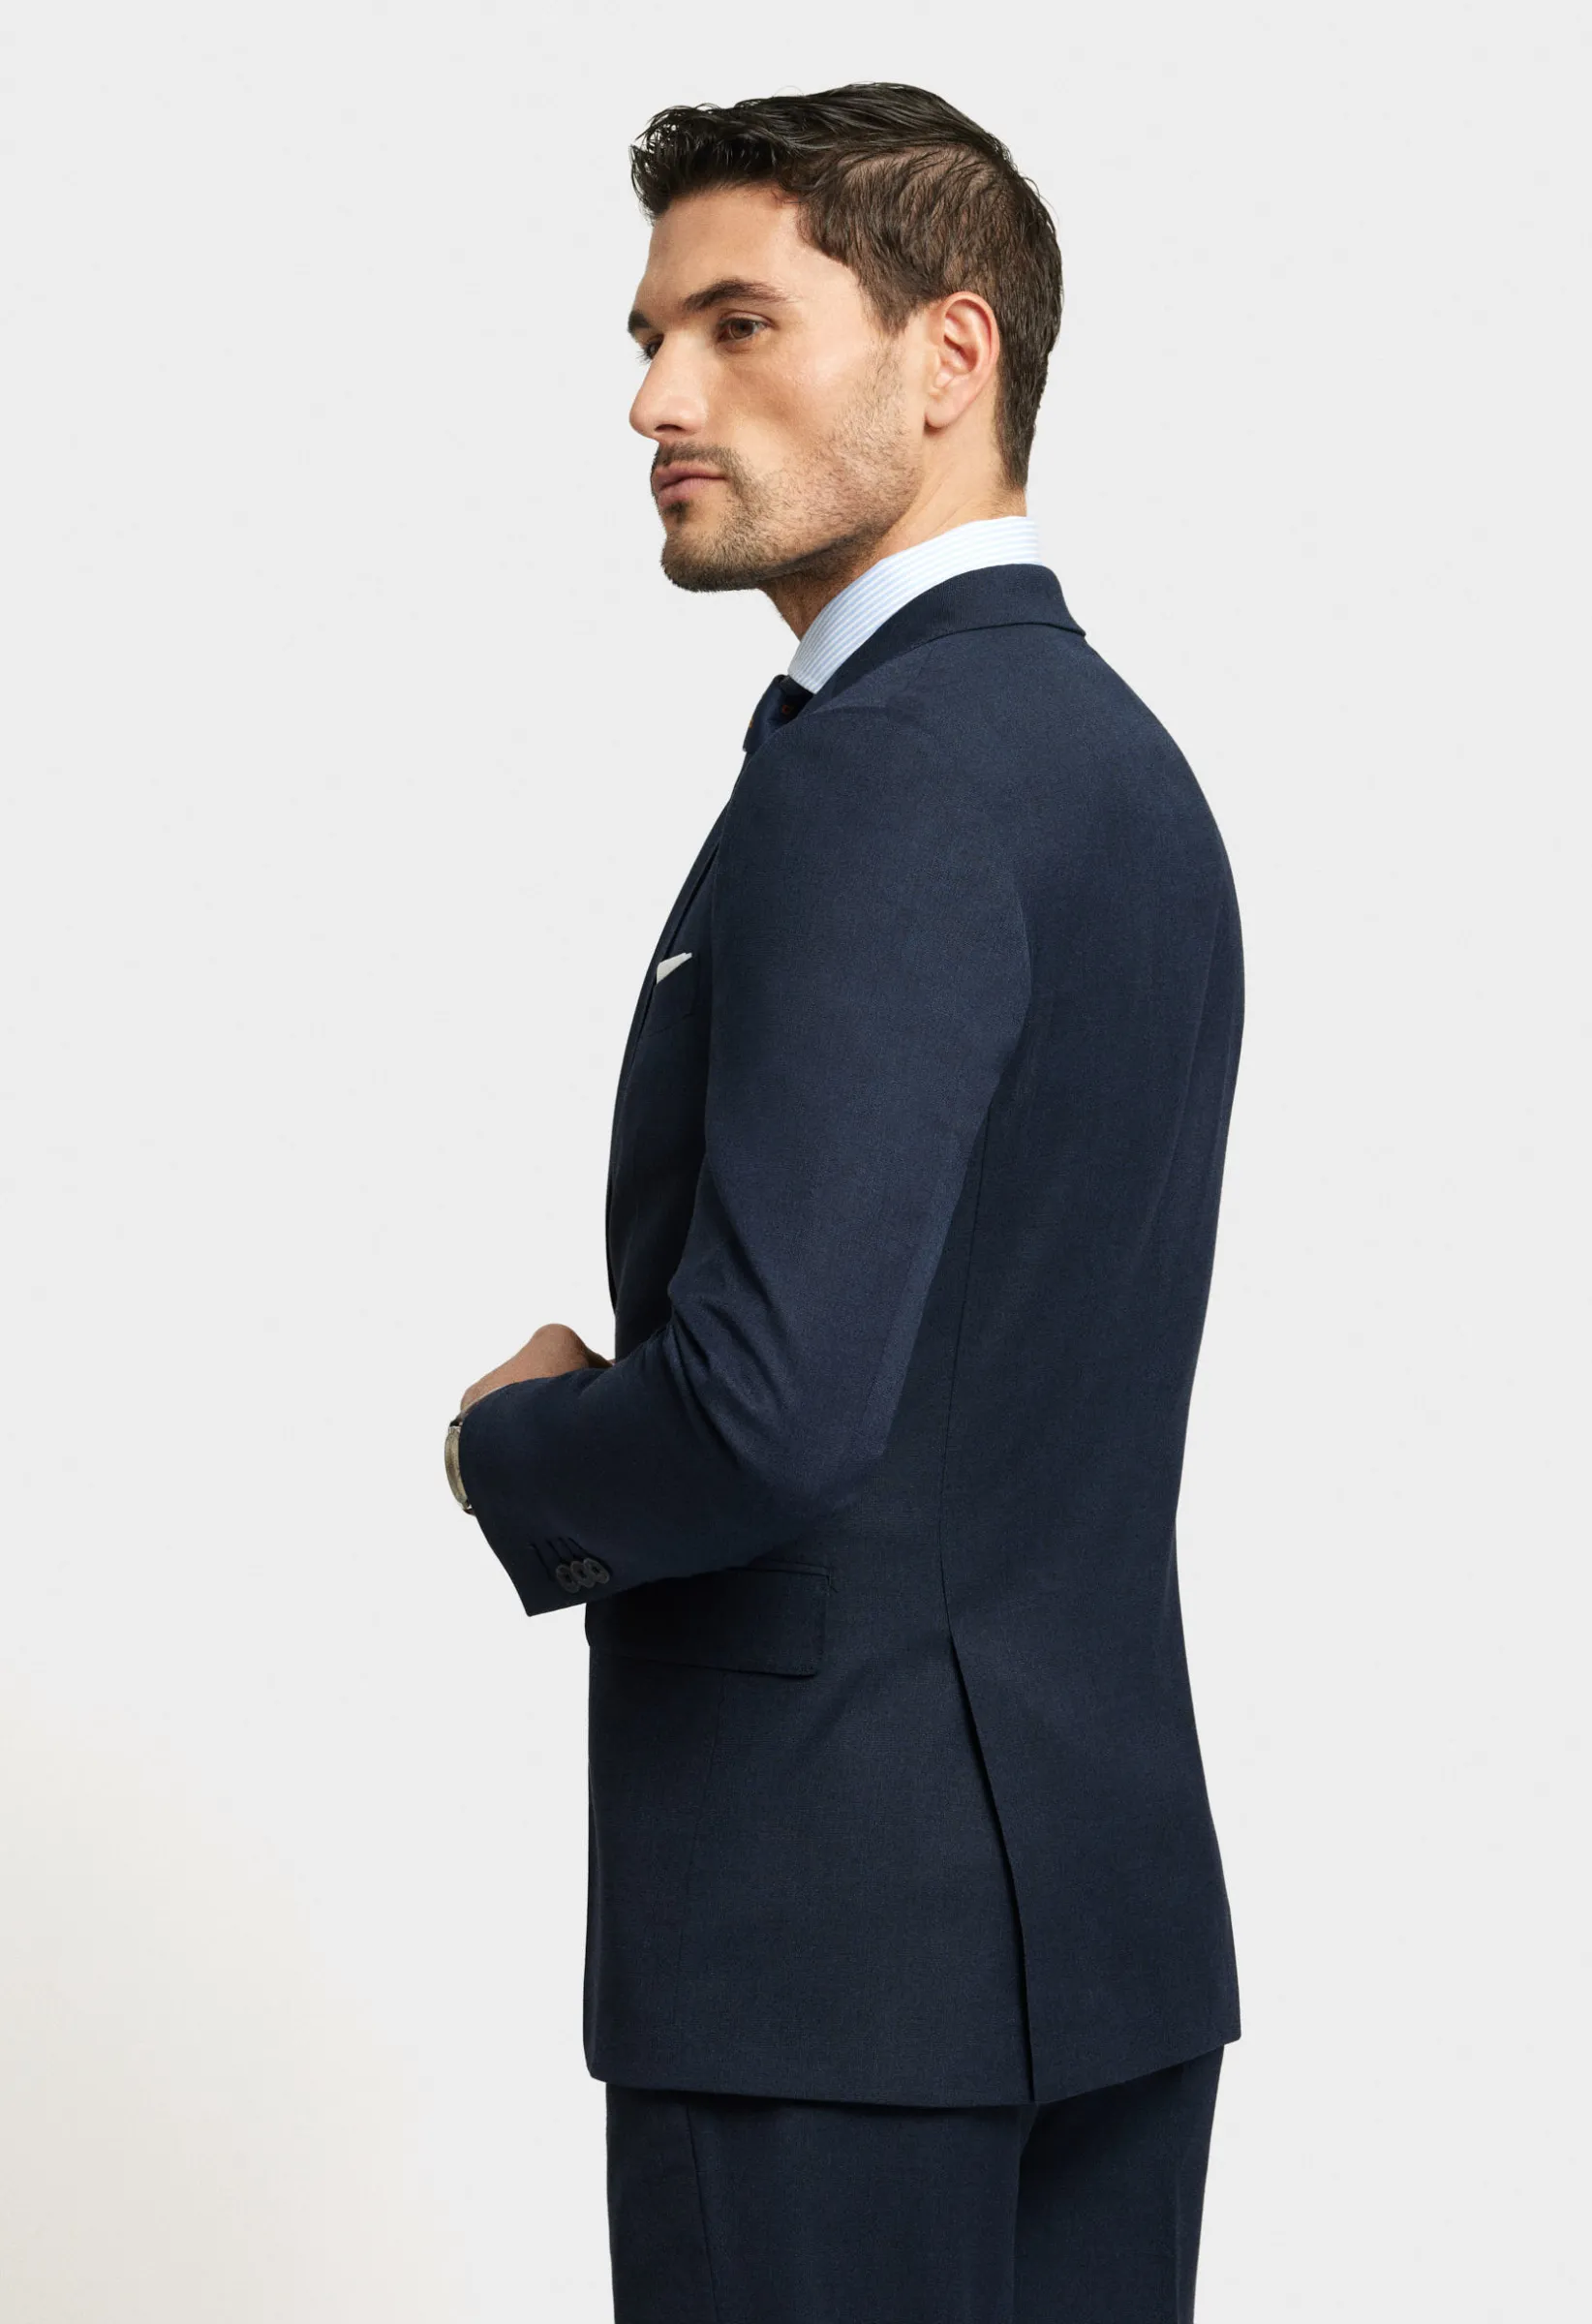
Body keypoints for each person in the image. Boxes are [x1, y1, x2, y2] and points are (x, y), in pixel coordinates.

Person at [445, 81, 1244, 2324]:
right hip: (1096, 1936)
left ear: (949, 353)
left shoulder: (876, 777)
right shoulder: (1121, 767)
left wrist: (514, 1451)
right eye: (648, 339)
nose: (655, 401)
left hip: (824, 1959)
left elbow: (772, 1409)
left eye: (736, 327)